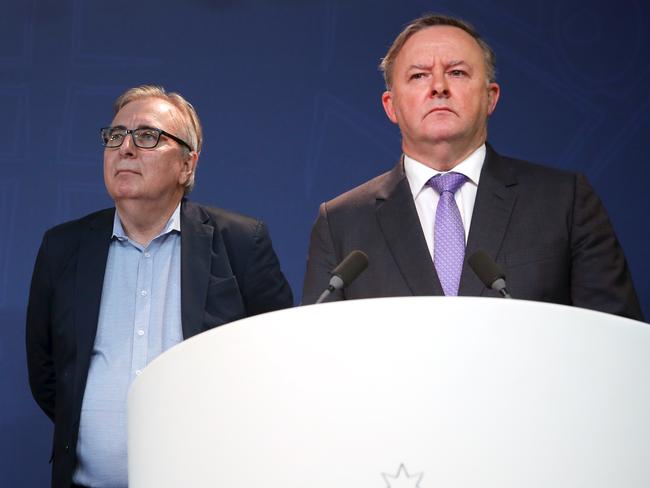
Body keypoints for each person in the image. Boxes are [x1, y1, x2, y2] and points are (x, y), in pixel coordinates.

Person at [26, 85, 294, 488]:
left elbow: (276, 362)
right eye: (115, 136)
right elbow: (47, 372)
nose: (125, 149)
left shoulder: (241, 240)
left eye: (147, 136)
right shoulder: (62, 247)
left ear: (188, 164)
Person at [302, 14, 643, 320]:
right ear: (391, 106)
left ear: (491, 96)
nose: (439, 87)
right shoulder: (342, 223)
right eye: (419, 75)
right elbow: (320, 356)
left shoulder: (564, 202)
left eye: (457, 72)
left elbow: (615, 342)